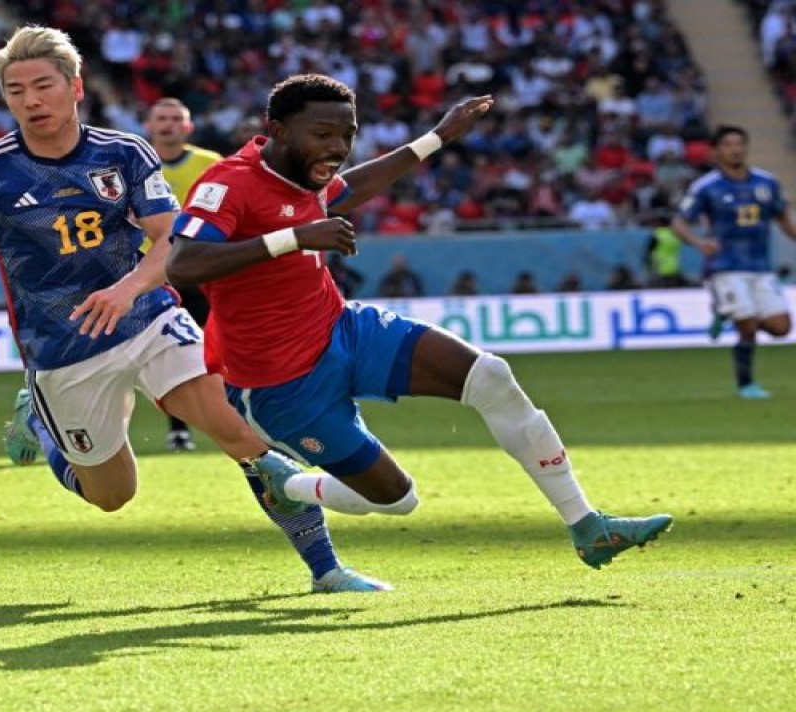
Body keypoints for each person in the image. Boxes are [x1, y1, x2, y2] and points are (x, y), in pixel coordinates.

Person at [0, 28, 382, 593]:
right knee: (112, 496)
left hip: (149, 317)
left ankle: (325, 568)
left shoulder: (124, 153)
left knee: (241, 434)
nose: (31, 100)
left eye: (42, 85)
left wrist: (129, 288)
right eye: (16, 91)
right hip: (62, 348)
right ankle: (41, 421)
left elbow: (170, 241)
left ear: (75, 87)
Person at [167, 74, 672, 586]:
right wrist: (293, 238)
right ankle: (291, 485)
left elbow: (352, 187)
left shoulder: (309, 175)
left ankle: (588, 526)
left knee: (491, 376)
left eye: (348, 134)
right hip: (281, 381)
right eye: (323, 134)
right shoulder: (228, 183)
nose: (338, 148)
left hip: (345, 329)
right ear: (276, 129)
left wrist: (437, 137)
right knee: (397, 499)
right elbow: (182, 264)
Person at [671, 125, 795, 399]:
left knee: (781, 328)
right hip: (724, 266)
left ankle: (726, 312)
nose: (735, 149)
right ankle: (746, 385)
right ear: (716, 151)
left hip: (761, 266)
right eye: (728, 144)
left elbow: (783, 218)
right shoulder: (706, 187)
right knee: (747, 327)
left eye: (740, 143)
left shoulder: (767, 183)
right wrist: (699, 242)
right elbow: (679, 222)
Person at [144, 97, 223, 453]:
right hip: (149, 275)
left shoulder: (211, 165)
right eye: (161, 118)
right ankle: (178, 429)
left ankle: (239, 421)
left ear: (188, 127)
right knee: (164, 354)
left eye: (176, 118)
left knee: (216, 350)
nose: (168, 124)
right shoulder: (134, 163)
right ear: (149, 125)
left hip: (200, 270)